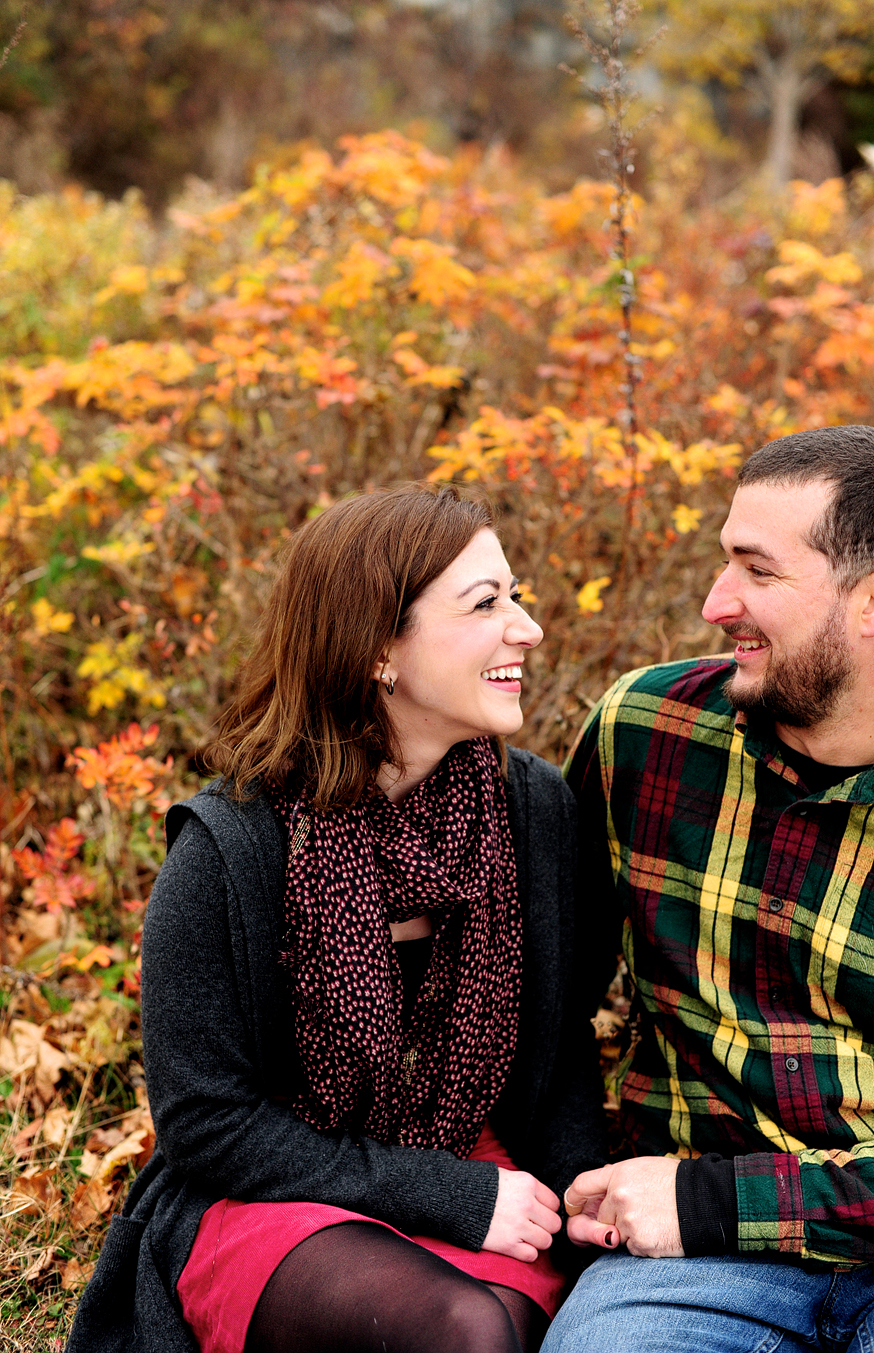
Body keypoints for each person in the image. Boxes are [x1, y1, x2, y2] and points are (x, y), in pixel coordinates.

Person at [66, 483, 607, 1353]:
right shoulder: (235, 847)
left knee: (499, 1327)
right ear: (377, 651)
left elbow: (559, 1039)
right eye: (485, 603)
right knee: (466, 1330)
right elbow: (207, 1123)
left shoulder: (530, 811)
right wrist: (444, 1195)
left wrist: (584, 1189)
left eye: (517, 595)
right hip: (273, 1188)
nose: (527, 626)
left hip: (475, 1157)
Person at [543, 426, 874, 1353]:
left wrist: (712, 1203)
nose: (714, 603)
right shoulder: (646, 732)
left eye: (758, 571)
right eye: (721, 563)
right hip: (681, 1263)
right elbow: (544, 1005)